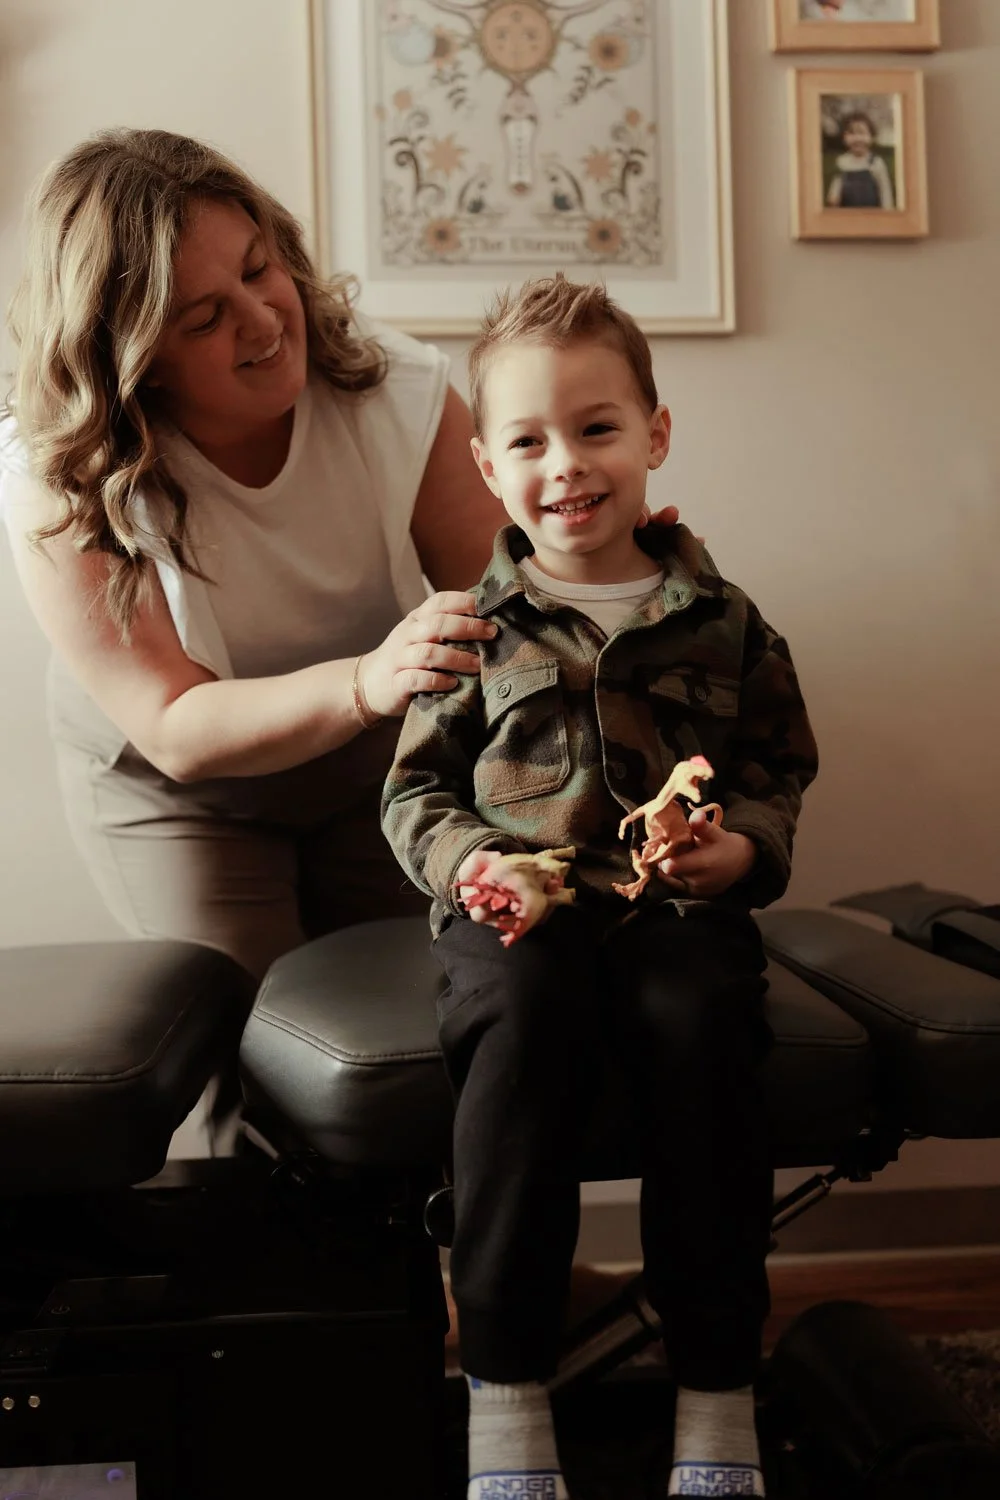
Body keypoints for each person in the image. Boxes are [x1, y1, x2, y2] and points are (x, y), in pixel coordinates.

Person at [382, 275, 819, 1499]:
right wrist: (471, 867)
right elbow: (414, 795)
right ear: (486, 465)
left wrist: (743, 853)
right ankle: (506, 1396)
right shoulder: (472, 628)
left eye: (596, 428)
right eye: (527, 441)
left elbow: (777, 769)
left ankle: (716, 1392)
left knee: (703, 1018)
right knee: (519, 1022)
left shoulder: (725, 621)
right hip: (517, 918)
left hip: (675, 914)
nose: (565, 464)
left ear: (655, 435)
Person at [827, 110, 895, 209]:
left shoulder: (876, 162)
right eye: (852, 133)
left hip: (871, 213)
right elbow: (835, 188)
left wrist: (887, 211)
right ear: (844, 137)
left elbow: (885, 193)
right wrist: (834, 197)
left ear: (871, 137)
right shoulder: (841, 162)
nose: (857, 138)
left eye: (862, 133)